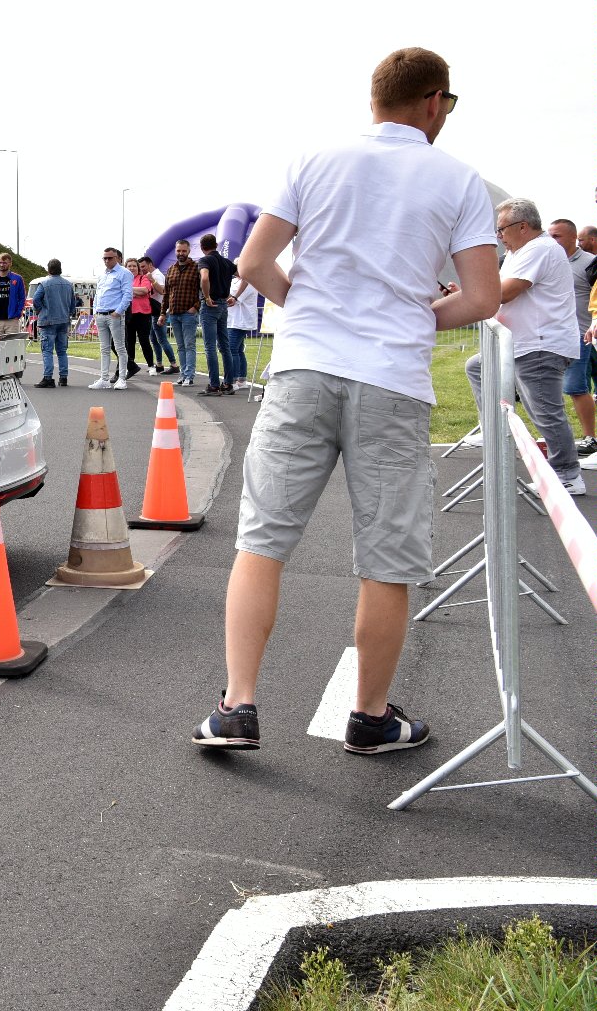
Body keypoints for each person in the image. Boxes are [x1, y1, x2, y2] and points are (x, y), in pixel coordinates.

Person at [192, 46, 500, 757]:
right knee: (385, 557)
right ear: (432, 103)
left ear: (372, 99)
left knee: (261, 541)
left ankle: (236, 705)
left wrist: (307, 309)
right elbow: (481, 298)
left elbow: (250, 263)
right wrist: (413, 315)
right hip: (390, 378)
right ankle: (368, 717)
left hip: (304, 366)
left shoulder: (314, 158)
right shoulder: (458, 179)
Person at [467, 198, 582, 492]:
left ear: (522, 226)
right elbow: (498, 291)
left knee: (545, 411)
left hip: (539, 344)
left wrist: (473, 294)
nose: (498, 235)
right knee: (477, 367)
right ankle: (495, 428)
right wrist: (469, 294)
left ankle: (567, 475)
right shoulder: (522, 251)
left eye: (501, 229)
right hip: (523, 343)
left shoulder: (539, 249)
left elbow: (506, 292)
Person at [546, 218, 597, 455]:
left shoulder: (590, 263)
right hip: (551, 335)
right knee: (552, 389)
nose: (552, 240)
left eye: (557, 236)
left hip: (580, 335)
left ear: (572, 237)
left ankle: (590, 437)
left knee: (576, 387)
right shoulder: (549, 261)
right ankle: (560, 438)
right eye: (550, 235)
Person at [196, 233, 238, 394]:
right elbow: (245, 276)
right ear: (216, 245)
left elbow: (205, 278)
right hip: (223, 304)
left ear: (202, 247)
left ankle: (214, 385)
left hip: (210, 305)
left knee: (210, 347)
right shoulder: (227, 263)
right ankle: (228, 383)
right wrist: (235, 296)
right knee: (224, 346)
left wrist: (206, 297)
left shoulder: (205, 260)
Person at [89, 246, 132, 390]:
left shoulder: (124, 273)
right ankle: (104, 378)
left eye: (110, 258)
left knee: (120, 347)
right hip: (101, 314)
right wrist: (95, 311)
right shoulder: (102, 274)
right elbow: (97, 294)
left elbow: (127, 294)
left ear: (117, 258)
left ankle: (122, 379)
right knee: (104, 348)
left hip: (114, 315)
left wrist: (118, 312)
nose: (107, 261)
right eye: (105, 258)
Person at [30, 259, 77, 388]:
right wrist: (70, 313)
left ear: (48, 269)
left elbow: (36, 299)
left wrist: (39, 310)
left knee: (47, 351)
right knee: (62, 351)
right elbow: (73, 303)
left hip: (48, 320)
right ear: (60, 269)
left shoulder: (44, 284)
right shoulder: (68, 284)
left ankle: (48, 377)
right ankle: (63, 378)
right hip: (63, 320)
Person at [160, 239, 201, 386]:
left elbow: (203, 290)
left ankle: (189, 376)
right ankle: (183, 374)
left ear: (189, 251)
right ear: (175, 251)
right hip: (174, 313)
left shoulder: (197, 267)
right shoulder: (171, 269)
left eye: (184, 251)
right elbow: (165, 293)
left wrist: (196, 307)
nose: (181, 253)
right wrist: (163, 313)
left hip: (189, 313)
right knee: (180, 346)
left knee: (189, 345)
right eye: (178, 251)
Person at [125, 258, 161, 380]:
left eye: (134, 266)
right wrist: (136, 292)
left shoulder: (144, 278)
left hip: (143, 314)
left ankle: (151, 365)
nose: (132, 268)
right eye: (129, 266)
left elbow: (145, 290)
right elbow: (125, 293)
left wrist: (129, 291)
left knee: (144, 340)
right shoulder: (124, 280)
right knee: (129, 341)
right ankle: (131, 366)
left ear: (138, 267)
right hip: (129, 314)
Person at [226, 273, 260, 390]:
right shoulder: (235, 281)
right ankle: (241, 379)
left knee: (232, 350)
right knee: (239, 350)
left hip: (240, 321)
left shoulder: (248, 281)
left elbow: (230, 297)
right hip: (234, 320)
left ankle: (234, 380)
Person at [0, 253, 26, 335]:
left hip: (12, 320)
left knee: (12, 346)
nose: (2, 265)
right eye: (0, 262)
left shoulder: (17, 279)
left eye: (4, 263)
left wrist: (18, 313)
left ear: (10, 263)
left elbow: (22, 298)